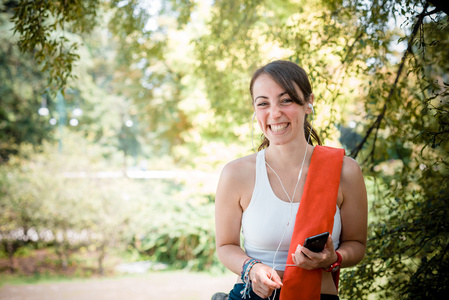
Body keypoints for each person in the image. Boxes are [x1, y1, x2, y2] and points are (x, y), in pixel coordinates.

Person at [214, 60, 368, 300]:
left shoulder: (344, 171)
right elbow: (225, 246)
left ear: (309, 103)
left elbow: (356, 244)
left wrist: (333, 259)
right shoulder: (236, 174)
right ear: (255, 111)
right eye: (263, 103)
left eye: (286, 100)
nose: (274, 113)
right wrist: (252, 268)